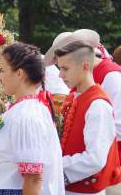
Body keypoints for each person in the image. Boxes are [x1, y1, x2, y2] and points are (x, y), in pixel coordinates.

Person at [0, 42, 65, 195]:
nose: (0, 77)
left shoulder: (27, 115)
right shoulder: (22, 109)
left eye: (3, 71)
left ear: (19, 74)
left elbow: (33, 178)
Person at [52, 40, 121, 195]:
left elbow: (94, 159)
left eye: (65, 69)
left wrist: (54, 165)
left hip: (84, 191)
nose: (60, 75)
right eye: (59, 68)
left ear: (85, 66)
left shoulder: (98, 105)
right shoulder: (74, 97)